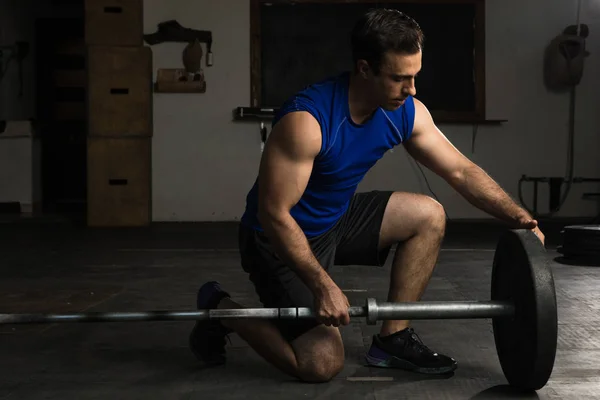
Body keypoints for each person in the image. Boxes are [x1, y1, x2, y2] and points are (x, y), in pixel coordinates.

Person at [189, 8, 545, 382]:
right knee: (320, 364)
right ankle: (220, 307)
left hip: (337, 219)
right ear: (364, 69)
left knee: (428, 215)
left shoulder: (404, 110)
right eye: (398, 79)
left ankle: (392, 340)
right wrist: (323, 285)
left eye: (414, 77)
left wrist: (519, 217)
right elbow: (274, 214)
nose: (411, 90)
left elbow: (461, 171)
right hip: (276, 239)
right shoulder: (306, 122)